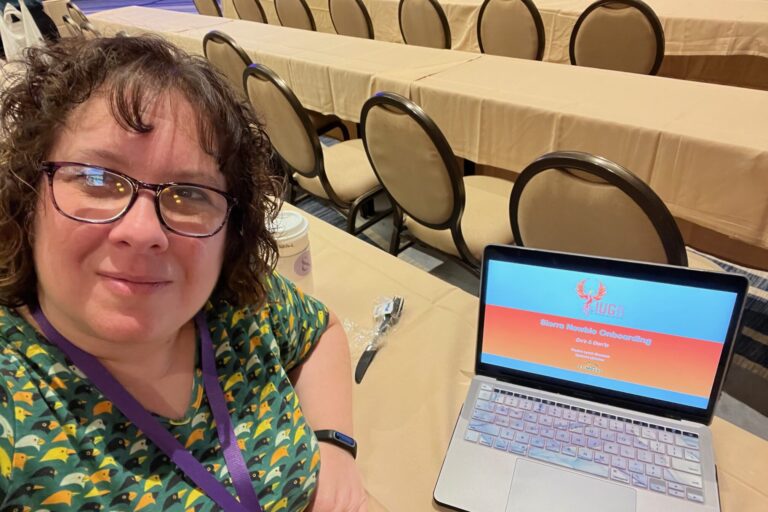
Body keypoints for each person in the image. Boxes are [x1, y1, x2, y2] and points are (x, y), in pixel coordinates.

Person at [0, 34, 366, 511]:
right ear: (29, 197)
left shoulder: (236, 302)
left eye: (189, 192)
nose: (142, 230)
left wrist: (335, 448)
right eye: (96, 178)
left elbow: (322, 331)